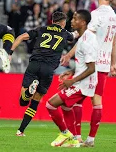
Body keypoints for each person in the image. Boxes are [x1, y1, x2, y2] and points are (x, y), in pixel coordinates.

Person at [60, 0, 116, 145]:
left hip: (90, 62)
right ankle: (91, 139)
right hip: (105, 64)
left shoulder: (95, 14)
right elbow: (113, 43)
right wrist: (114, 63)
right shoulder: (115, 17)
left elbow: (85, 37)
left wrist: (69, 54)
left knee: (77, 100)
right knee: (97, 101)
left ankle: (77, 137)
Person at [10, 12, 77, 136]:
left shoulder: (41, 29)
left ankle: (28, 92)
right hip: (48, 69)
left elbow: (20, 37)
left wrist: (10, 53)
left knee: (23, 101)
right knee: (35, 102)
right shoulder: (64, 33)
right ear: (63, 22)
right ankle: (21, 130)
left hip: (34, 64)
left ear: (52, 21)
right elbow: (75, 35)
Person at [46, 9, 97, 148]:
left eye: (75, 19)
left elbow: (92, 67)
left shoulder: (87, 40)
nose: (72, 21)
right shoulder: (83, 38)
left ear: (83, 22)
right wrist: (71, 71)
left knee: (50, 104)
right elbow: (86, 64)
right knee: (64, 105)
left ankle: (66, 134)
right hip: (81, 81)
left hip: (83, 84)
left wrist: (72, 81)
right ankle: (74, 139)